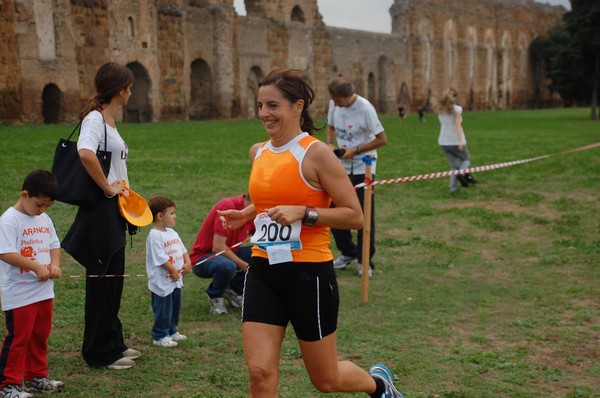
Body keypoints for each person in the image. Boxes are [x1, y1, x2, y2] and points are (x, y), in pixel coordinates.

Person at [219, 69, 403, 398]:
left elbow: (355, 216)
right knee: (259, 373)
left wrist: (305, 213)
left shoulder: (316, 153)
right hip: (263, 271)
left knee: (326, 380)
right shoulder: (257, 152)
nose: (264, 114)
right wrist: (247, 213)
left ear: (297, 106)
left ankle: (379, 386)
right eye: (260, 105)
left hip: (309, 275)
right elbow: (272, 198)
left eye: (273, 105)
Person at [61, 62, 141, 370]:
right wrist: (108, 187)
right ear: (120, 89)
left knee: (114, 278)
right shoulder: (94, 118)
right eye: (130, 86)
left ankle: (113, 342)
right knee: (101, 280)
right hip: (101, 209)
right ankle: (97, 352)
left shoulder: (108, 119)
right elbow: (85, 152)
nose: (131, 91)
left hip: (116, 208)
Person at [0, 170, 64, 397]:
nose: (42, 210)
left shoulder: (43, 219)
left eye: (47, 206)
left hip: (43, 292)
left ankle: (36, 377)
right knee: (19, 338)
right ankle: (8, 385)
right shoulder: (9, 220)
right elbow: (5, 252)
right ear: (24, 195)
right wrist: (36, 267)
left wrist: (54, 264)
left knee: (39, 335)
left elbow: (54, 245)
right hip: (19, 293)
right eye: (39, 205)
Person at [326, 76, 388, 276]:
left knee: (363, 214)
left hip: (364, 167)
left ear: (347, 96)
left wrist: (356, 150)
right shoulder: (334, 105)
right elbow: (331, 127)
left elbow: (382, 139)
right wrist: (330, 145)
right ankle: (348, 253)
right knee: (333, 208)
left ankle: (365, 260)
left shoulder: (365, 109)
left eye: (337, 100)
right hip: (341, 167)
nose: (334, 104)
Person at [189, 193, 254, 315]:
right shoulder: (228, 206)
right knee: (227, 266)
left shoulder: (252, 215)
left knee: (260, 253)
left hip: (228, 253)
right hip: (203, 258)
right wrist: (243, 264)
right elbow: (218, 247)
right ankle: (215, 295)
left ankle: (233, 289)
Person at [146, 196, 191, 348]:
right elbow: (161, 258)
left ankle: (172, 331)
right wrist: (173, 270)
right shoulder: (154, 235)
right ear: (160, 216)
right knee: (164, 309)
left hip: (175, 279)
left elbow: (182, 249)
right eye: (171, 213)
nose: (175, 216)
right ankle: (159, 335)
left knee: (175, 306)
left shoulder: (172, 233)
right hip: (162, 281)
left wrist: (187, 262)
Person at [433, 88, 477, 193]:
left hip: (443, 141)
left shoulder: (440, 110)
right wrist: (460, 141)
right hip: (454, 141)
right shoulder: (457, 109)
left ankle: (453, 188)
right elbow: (457, 126)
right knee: (466, 159)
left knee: (454, 166)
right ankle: (462, 173)